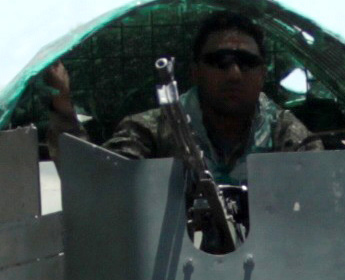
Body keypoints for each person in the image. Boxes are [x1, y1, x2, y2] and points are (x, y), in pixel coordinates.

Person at [42, 10, 318, 177]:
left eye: (246, 62)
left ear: (262, 75)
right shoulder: (153, 131)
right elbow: (97, 185)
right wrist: (64, 110)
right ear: (195, 72)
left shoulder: (285, 134)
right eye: (220, 61)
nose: (234, 73)